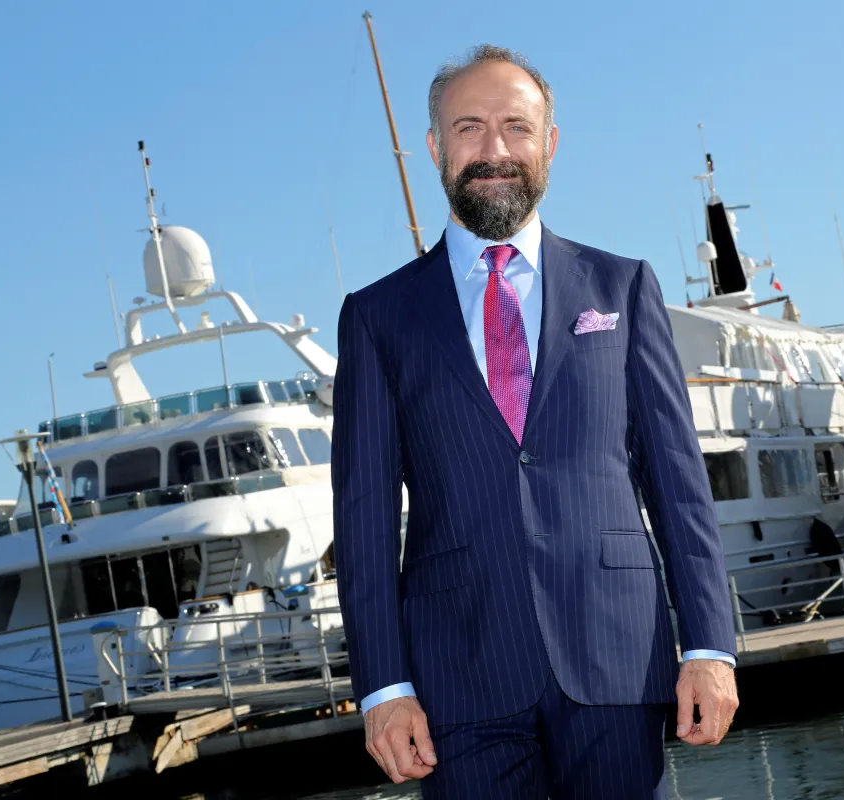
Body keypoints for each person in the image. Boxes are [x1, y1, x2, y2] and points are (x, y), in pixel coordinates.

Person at [332, 44, 739, 799]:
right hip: (458, 674)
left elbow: (680, 487)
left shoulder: (624, 287)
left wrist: (711, 645)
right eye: (469, 128)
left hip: (617, 659)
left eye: (517, 127)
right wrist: (383, 689)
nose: (494, 150)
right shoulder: (376, 318)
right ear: (434, 147)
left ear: (549, 143)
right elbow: (361, 520)